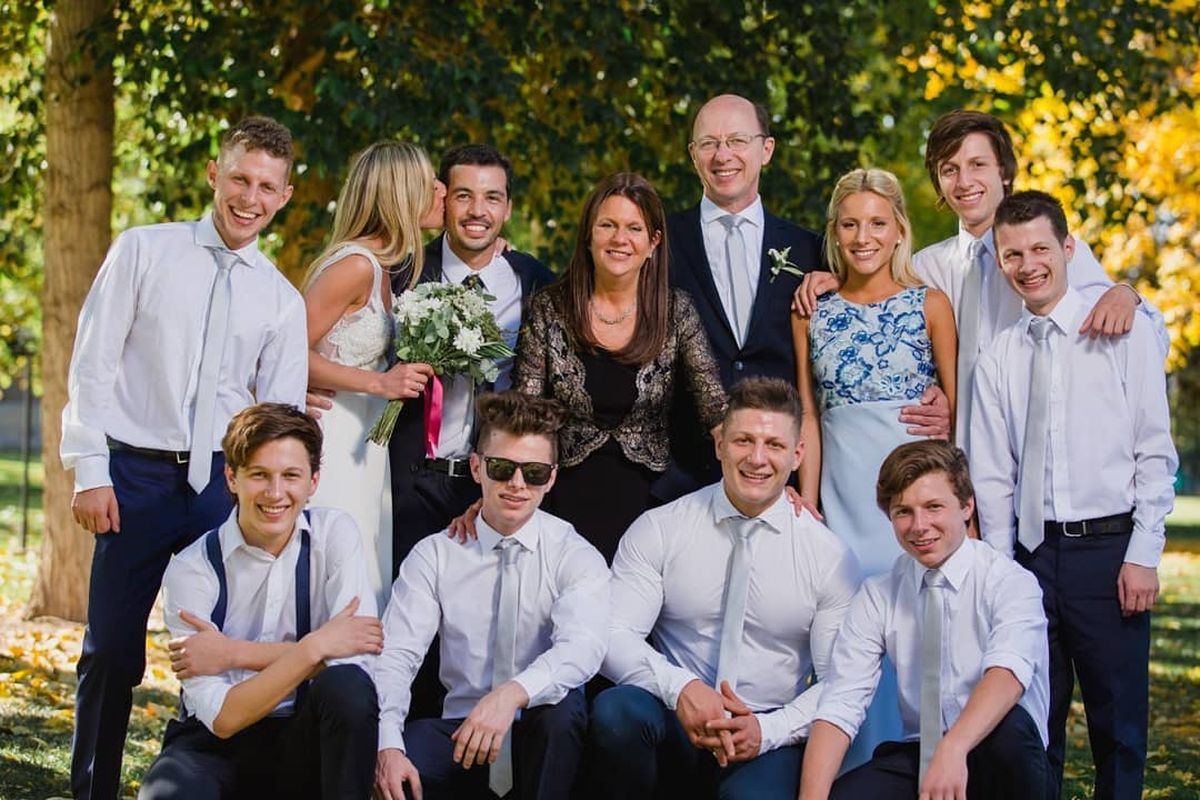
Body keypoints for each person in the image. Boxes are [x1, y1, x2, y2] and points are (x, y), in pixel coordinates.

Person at [60, 116, 308, 800]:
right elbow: (93, 365)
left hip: (221, 492)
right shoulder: (145, 251)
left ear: (284, 194)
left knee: (220, 653)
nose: (249, 197)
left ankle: (194, 783)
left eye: (266, 186)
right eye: (239, 179)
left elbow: (279, 417)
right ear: (214, 174)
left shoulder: (281, 301)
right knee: (109, 651)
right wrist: (89, 469)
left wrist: (260, 500)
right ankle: (93, 791)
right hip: (135, 476)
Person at [795, 109, 1167, 450]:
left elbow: (1134, 333)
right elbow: (883, 329)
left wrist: (1126, 294)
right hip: (956, 455)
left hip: (1042, 446)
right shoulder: (926, 268)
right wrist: (836, 281)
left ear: (1003, 172)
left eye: (977, 164)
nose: (964, 181)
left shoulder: (1045, 254)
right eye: (949, 169)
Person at [970, 191, 1177, 798]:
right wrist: (1002, 572)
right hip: (1032, 559)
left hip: (1108, 555)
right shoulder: (999, 355)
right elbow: (992, 475)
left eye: (1039, 248)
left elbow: (1153, 451)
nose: (1027, 264)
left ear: (1067, 248)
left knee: (1118, 728)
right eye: (1012, 254)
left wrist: (1143, 554)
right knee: (1034, 725)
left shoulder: (1120, 330)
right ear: (1000, 262)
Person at [589, 377, 861, 799]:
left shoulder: (829, 557)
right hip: (675, 716)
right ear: (719, 444)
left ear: (797, 455)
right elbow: (610, 634)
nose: (757, 458)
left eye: (773, 444)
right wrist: (680, 688)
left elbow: (841, 682)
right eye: (743, 440)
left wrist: (767, 730)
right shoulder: (662, 528)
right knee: (616, 712)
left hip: (767, 731)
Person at [792, 168, 957, 767]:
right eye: (850, 224)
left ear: (898, 231)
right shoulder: (813, 309)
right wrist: (808, 503)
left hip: (912, 492)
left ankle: (926, 764)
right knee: (847, 641)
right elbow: (809, 413)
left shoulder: (930, 304)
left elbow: (955, 412)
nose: (863, 236)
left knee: (919, 634)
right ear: (835, 233)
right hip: (841, 496)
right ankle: (855, 772)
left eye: (877, 223)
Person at [138, 403, 382, 799]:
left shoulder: (335, 535)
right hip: (214, 745)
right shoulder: (193, 569)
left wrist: (234, 654)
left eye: (291, 476)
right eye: (259, 475)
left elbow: (356, 659)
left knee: (347, 688)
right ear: (231, 477)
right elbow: (223, 718)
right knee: (167, 795)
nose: (275, 493)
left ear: (314, 481)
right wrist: (318, 647)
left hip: (305, 738)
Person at [374, 391, 609, 800]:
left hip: (535, 729)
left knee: (563, 711)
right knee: (396, 770)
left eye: (533, 473)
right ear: (477, 467)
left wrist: (511, 694)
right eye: (502, 468)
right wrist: (387, 745)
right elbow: (396, 656)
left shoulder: (574, 554)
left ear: (551, 477)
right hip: (460, 729)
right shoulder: (436, 554)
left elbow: (583, 647)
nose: (517, 484)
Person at [799, 440, 1051, 800]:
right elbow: (841, 701)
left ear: (966, 507)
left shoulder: (1010, 581)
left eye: (933, 507)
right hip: (922, 752)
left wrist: (954, 749)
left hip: (1002, 754)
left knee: (1009, 732)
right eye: (903, 512)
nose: (919, 526)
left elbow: (1008, 673)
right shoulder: (878, 594)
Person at [507, 171, 727, 563]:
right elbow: (526, 411)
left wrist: (769, 475)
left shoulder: (677, 312)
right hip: (561, 503)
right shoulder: (549, 308)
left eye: (633, 228)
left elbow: (715, 408)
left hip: (653, 505)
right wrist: (502, 490)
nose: (619, 238)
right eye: (607, 225)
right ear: (589, 236)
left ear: (653, 242)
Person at [385, 143, 556, 567]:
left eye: (491, 198)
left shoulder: (535, 281)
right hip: (405, 484)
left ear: (508, 208)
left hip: (494, 488)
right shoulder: (402, 271)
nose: (477, 211)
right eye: (464, 196)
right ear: (443, 201)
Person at [302, 140, 444, 608]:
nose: (442, 191)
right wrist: (380, 383)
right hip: (335, 438)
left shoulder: (382, 267)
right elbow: (285, 353)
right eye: (429, 184)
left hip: (363, 441)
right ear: (400, 195)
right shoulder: (354, 266)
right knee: (335, 574)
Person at [663, 94, 826, 498]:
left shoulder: (810, 250)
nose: (723, 155)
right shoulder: (658, 241)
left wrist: (842, 283)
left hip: (780, 475)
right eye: (709, 143)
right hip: (681, 476)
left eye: (737, 141)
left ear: (766, 149)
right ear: (693, 154)